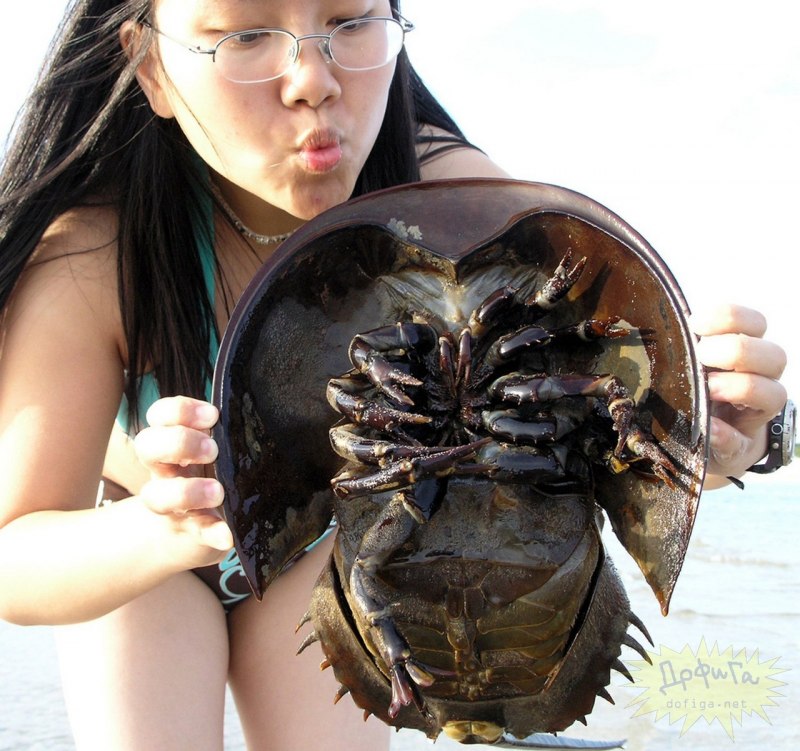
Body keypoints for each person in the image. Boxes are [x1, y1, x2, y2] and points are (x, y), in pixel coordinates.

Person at [0, 1, 788, 749]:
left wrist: (725, 433)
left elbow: (595, 403)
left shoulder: (460, 204)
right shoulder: (98, 257)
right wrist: (160, 528)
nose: (313, 79)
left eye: (350, 21)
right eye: (244, 36)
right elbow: (14, 551)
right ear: (151, 68)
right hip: (141, 554)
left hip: (338, 539)